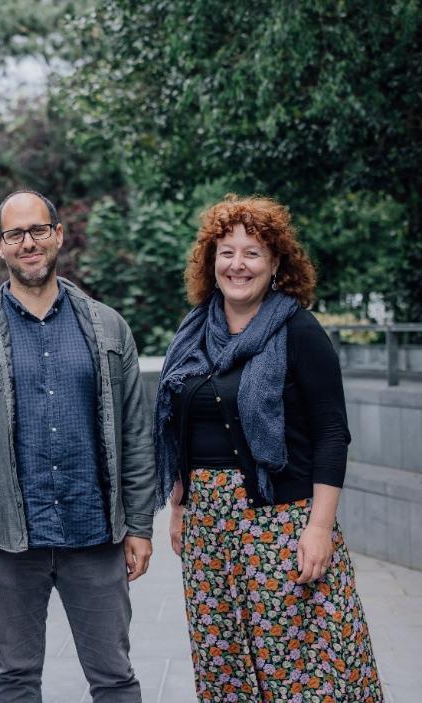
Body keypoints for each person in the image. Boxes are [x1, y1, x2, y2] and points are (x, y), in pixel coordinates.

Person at [153, 194, 383, 702]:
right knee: (224, 659)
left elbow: (331, 434)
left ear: (276, 263)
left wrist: (319, 529)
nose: (238, 265)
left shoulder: (298, 330)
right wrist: (178, 509)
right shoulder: (193, 332)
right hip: (207, 526)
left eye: (252, 252)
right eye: (226, 252)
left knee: (300, 664)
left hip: (280, 521)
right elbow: (178, 428)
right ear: (211, 263)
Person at [0, 189, 155, 702]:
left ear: (58, 235)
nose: (28, 243)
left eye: (38, 230)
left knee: (115, 678)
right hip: (11, 543)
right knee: (16, 679)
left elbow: (135, 433)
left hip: (95, 533)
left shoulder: (107, 326)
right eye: (16, 234)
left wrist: (139, 525)